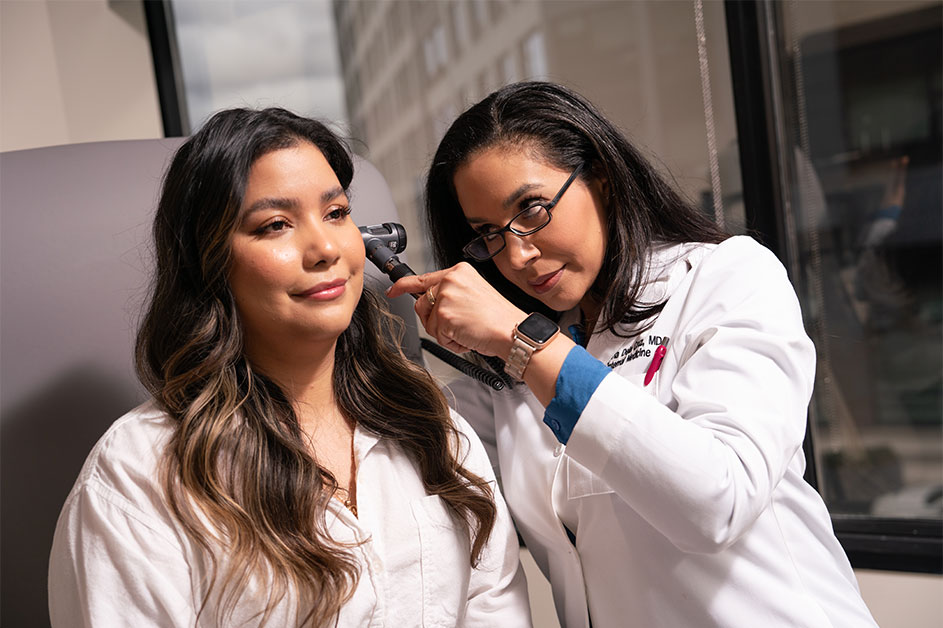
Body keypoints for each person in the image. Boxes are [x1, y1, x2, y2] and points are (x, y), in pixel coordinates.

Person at [388, 82, 878, 627]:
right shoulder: (509, 380)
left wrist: (519, 338)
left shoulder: (725, 277)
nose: (518, 254)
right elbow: (408, 474)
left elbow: (719, 501)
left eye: (531, 208)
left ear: (601, 178)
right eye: (489, 233)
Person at [48, 108, 532, 627]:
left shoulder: (431, 426)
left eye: (336, 213)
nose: (325, 249)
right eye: (275, 225)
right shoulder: (137, 476)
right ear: (209, 261)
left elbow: (494, 605)